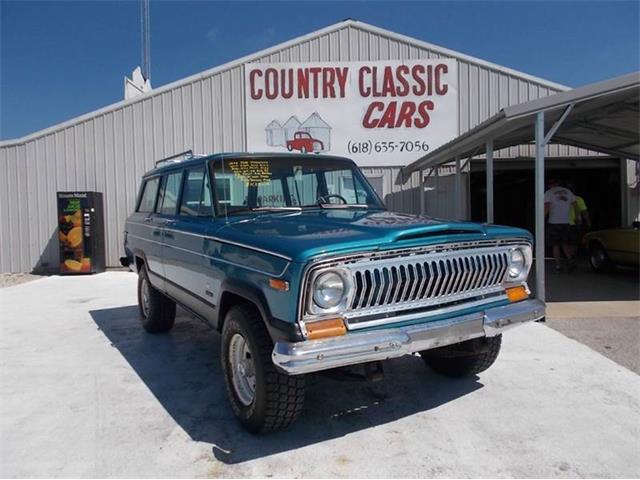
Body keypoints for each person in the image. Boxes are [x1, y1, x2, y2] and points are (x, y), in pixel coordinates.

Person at [544, 179, 579, 272]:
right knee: (564, 243)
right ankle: (570, 259)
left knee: (555, 245)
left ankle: (558, 265)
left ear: (550, 185)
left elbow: (547, 206)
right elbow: (575, 205)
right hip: (566, 222)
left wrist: (542, 218)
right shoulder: (568, 192)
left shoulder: (549, 193)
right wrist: (577, 217)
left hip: (554, 222)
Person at [567, 183, 591, 259]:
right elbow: (584, 212)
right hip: (575, 223)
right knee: (574, 242)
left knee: (566, 242)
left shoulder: (561, 200)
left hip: (564, 223)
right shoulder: (579, 199)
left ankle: (569, 257)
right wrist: (588, 222)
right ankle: (571, 257)